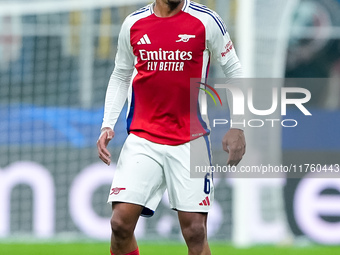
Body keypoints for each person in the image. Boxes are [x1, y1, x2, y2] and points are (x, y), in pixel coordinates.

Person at [97, 0, 245, 254]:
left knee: (195, 231)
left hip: (191, 139)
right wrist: (107, 124)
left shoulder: (206, 21)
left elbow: (234, 70)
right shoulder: (133, 23)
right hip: (143, 138)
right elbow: (121, 74)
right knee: (120, 223)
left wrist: (239, 125)